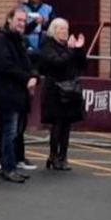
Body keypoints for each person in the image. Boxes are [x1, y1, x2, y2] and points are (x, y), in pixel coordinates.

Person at [0, 9, 36, 182]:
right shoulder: (0, 39)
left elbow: (27, 63)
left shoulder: (19, 40)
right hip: (6, 93)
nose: (22, 23)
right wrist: (26, 78)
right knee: (9, 131)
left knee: (14, 132)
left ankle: (12, 164)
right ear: (9, 20)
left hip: (17, 93)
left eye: (24, 20)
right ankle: (7, 167)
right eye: (19, 20)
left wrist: (33, 76)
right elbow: (4, 65)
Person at [33, 17, 88, 172]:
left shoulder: (68, 47)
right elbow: (57, 63)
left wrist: (79, 49)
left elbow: (82, 65)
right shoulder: (48, 45)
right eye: (61, 29)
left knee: (67, 124)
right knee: (57, 124)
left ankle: (63, 156)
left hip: (70, 89)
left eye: (66, 29)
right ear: (54, 30)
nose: (65, 32)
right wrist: (71, 50)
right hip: (55, 89)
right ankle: (53, 156)